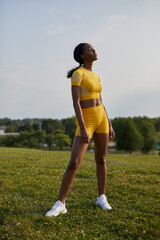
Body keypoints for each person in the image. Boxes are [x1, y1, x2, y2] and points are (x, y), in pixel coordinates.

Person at [45, 43, 115, 217]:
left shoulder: (96, 76)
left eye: (93, 48)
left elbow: (101, 100)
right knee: (74, 162)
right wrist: (83, 127)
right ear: (82, 55)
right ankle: (60, 203)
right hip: (87, 121)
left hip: (101, 120)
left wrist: (109, 123)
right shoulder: (78, 74)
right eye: (90, 49)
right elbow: (76, 102)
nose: (94, 50)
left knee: (101, 159)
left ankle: (101, 197)